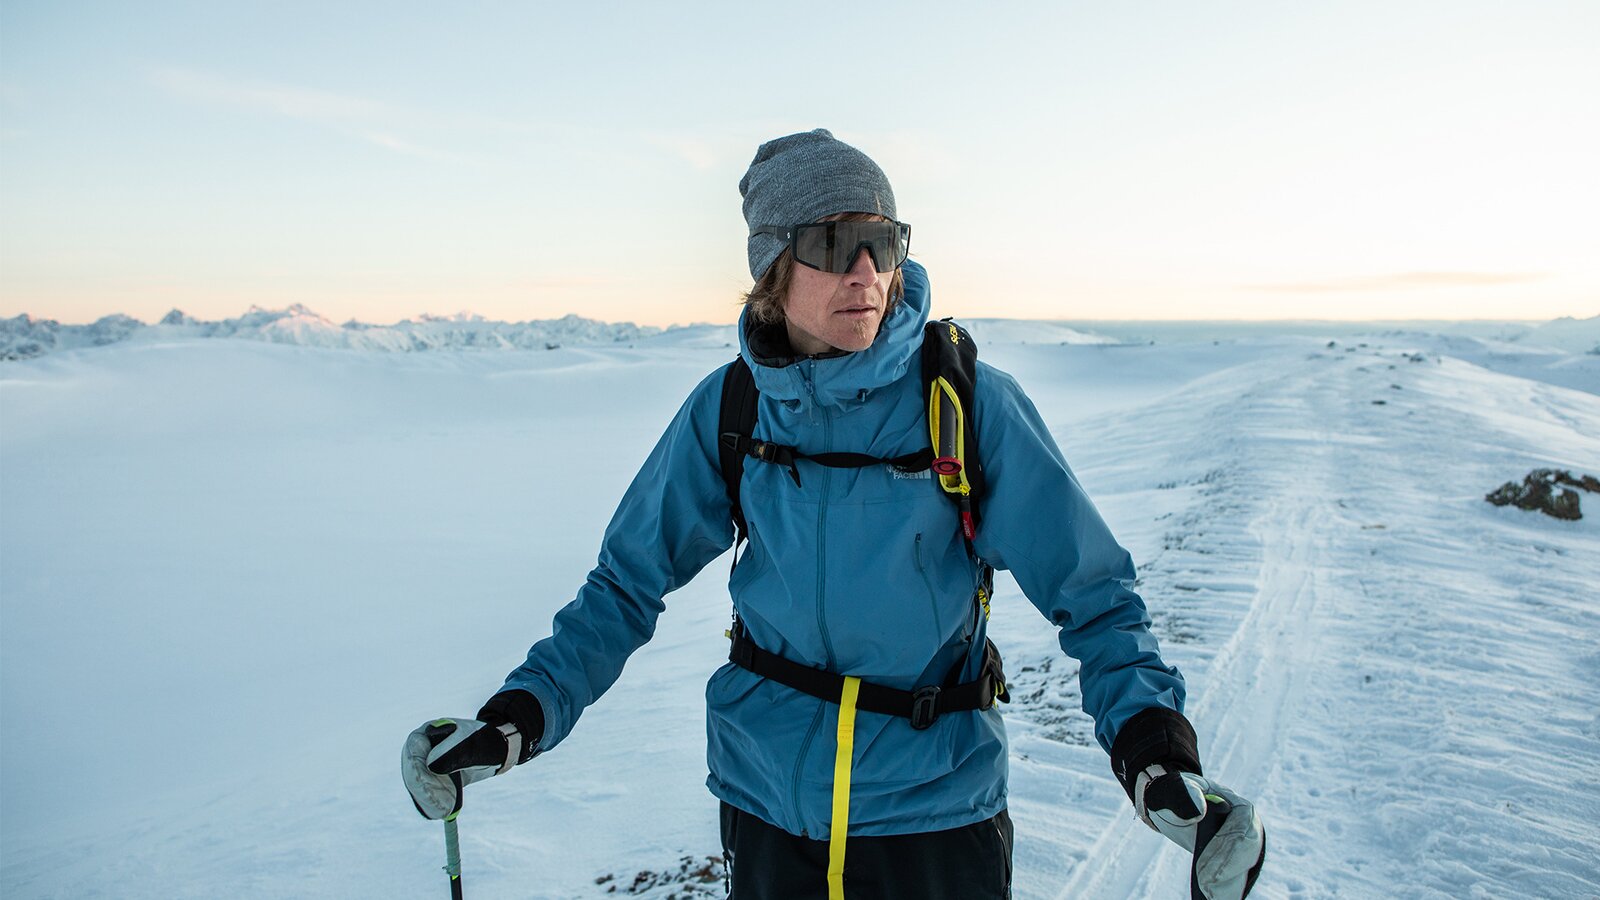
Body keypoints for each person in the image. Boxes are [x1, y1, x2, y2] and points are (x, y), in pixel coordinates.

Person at [403, 129, 1266, 899]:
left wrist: (1153, 746)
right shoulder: (733, 409)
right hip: (765, 810)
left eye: (882, 242)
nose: (866, 272)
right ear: (773, 271)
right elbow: (626, 583)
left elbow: (1094, 593)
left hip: (933, 818)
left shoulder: (966, 405)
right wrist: (520, 716)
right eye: (832, 242)